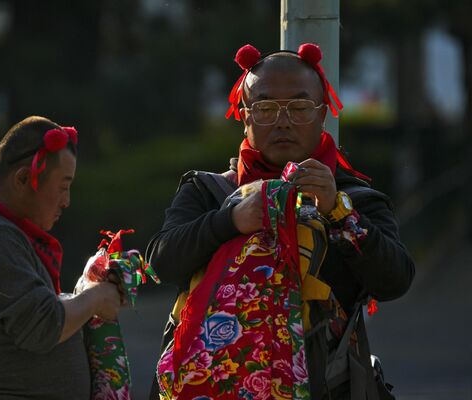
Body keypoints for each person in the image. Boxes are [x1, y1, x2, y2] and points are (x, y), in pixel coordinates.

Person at [147, 44, 415, 399]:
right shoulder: (209, 192)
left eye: (300, 108)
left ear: (323, 115)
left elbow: (395, 281)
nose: (283, 121)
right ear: (244, 115)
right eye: (266, 107)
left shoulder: (354, 199)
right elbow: (161, 263)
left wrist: (338, 212)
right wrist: (229, 221)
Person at [0, 116, 123, 399]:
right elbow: (43, 326)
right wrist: (96, 298)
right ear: (22, 178)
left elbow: (34, 313)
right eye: (63, 186)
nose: (67, 201)